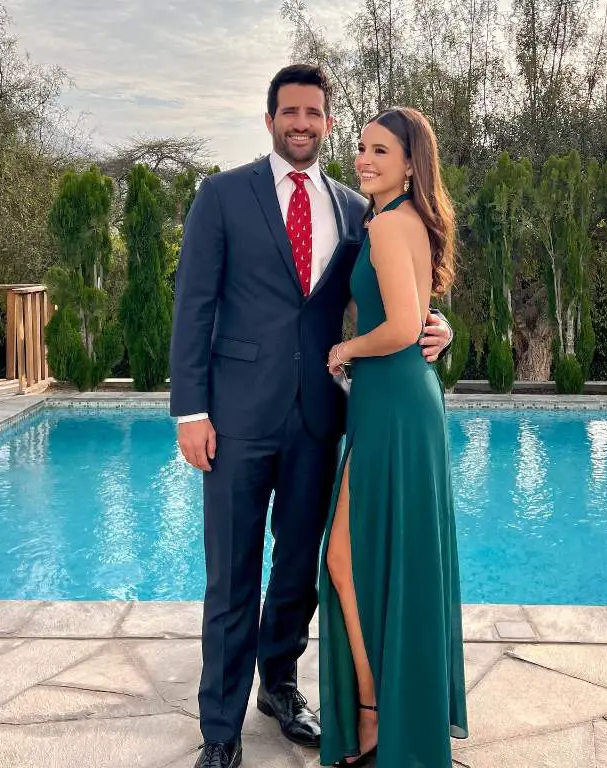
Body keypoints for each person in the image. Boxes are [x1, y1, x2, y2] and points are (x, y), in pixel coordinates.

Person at [169, 65, 453, 768]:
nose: (302, 123)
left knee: (299, 569)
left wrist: (440, 327)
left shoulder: (360, 207)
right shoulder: (223, 195)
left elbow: (400, 297)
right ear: (269, 120)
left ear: (327, 122)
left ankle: (281, 686)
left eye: (315, 113)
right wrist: (190, 412)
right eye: (289, 112)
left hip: (320, 420)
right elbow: (194, 307)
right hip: (235, 419)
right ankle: (221, 729)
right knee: (230, 576)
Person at [320, 106, 468, 768]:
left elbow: (405, 326)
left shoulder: (385, 227)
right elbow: (422, 317)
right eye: (360, 147)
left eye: (381, 150)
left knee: (348, 559)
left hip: (393, 402)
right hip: (402, 401)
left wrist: (345, 346)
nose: (364, 159)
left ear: (412, 162)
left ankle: (376, 711)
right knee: (382, 557)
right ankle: (384, 708)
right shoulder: (405, 222)